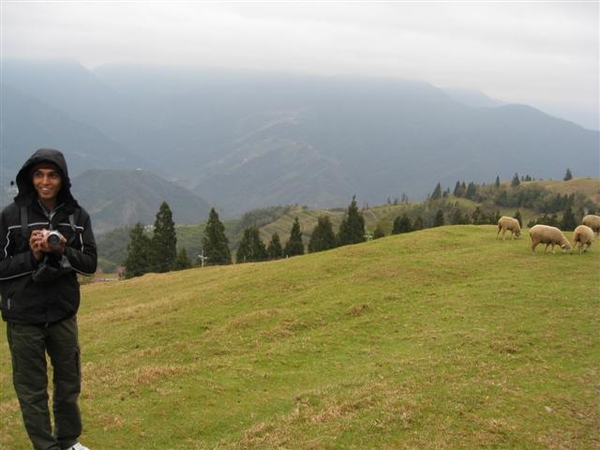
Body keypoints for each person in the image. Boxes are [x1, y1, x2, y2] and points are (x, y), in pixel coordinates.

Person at [0, 149, 97, 450]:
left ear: (62, 179)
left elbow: (90, 264)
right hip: (23, 316)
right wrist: (33, 255)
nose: (45, 181)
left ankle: (68, 441)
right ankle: (46, 446)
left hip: (62, 313)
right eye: (39, 174)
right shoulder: (10, 217)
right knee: (32, 389)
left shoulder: (77, 217)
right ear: (30, 177)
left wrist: (63, 249)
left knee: (69, 382)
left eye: (52, 175)